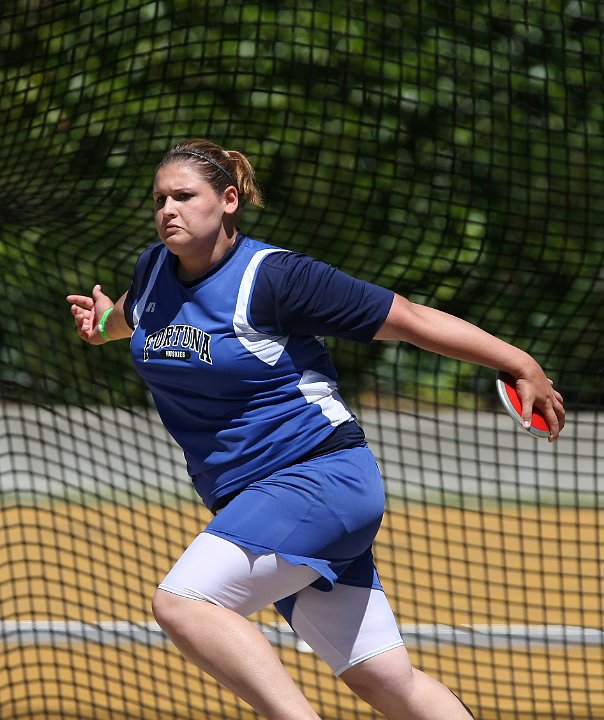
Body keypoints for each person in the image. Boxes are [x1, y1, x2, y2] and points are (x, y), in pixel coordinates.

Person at [67, 138, 565, 720]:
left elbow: (409, 319)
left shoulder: (276, 277)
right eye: (159, 199)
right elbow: (136, 317)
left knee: (184, 603)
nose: (168, 210)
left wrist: (519, 361)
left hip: (317, 479)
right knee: (385, 679)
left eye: (184, 195)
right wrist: (102, 324)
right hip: (255, 497)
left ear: (228, 200)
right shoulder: (153, 272)